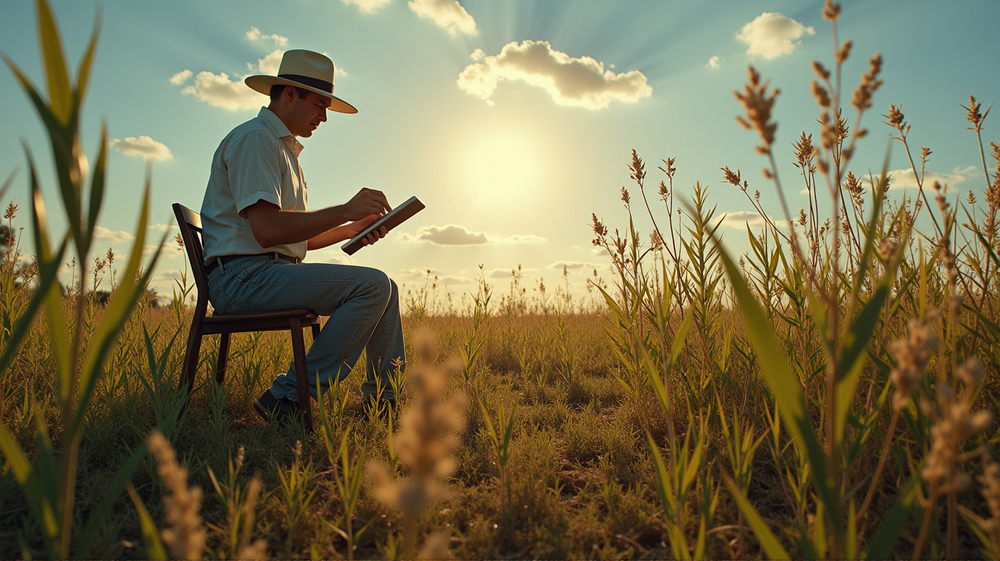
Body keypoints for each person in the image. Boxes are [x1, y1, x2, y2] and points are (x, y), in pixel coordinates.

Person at [199, 49, 404, 423]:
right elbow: (266, 231)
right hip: (241, 278)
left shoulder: (282, 149)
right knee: (372, 286)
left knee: (384, 286)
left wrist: (350, 229)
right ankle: (290, 397)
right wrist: (344, 209)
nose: (324, 117)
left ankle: (383, 404)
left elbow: (291, 240)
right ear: (290, 94)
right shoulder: (255, 140)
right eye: (320, 105)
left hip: (265, 271)